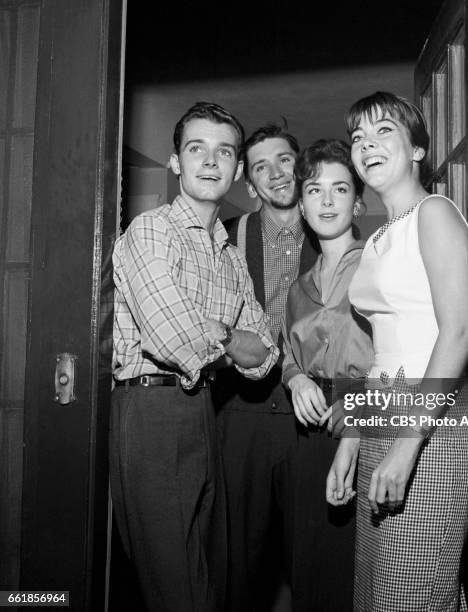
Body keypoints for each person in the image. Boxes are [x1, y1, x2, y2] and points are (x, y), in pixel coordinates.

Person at [110, 102, 279, 612]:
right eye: (196, 149)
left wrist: (221, 334)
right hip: (151, 412)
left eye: (224, 151)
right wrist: (231, 341)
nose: (210, 161)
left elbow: (266, 355)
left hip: (205, 412)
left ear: (237, 169)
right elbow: (173, 339)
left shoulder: (229, 254)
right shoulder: (151, 230)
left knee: (212, 579)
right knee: (176, 587)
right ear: (175, 163)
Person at [327, 91, 468, 611]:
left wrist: (408, 444)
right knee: (380, 591)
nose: (367, 144)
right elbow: (379, 354)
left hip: (431, 423)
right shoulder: (375, 241)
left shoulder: (434, 213)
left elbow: (458, 332)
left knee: (413, 588)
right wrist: (351, 438)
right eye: (358, 138)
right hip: (381, 415)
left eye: (383, 131)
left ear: (416, 148)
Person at [212, 122, 319, 611]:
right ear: (249, 184)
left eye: (284, 160)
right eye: (261, 166)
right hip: (242, 411)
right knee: (237, 559)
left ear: (301, 166)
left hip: (313, 414)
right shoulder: (228, 238)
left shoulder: (333, 229)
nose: (276, 173)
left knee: (313, 552)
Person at [281, 138, 373, 611]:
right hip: (308, 434)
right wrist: (295, 379)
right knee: (309, 565)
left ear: (358, 201)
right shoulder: (298, 288)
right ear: (301, 204)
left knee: (354, 571)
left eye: (340, 189)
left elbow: (399, 360)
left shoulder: (381, 264)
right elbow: (287, 350)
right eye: (314, 190)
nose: (327, 200)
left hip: (363, 425)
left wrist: (356, 420)